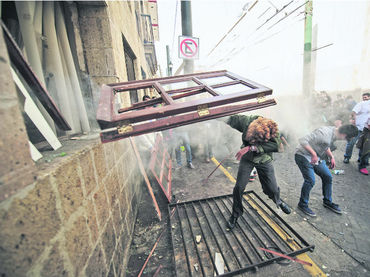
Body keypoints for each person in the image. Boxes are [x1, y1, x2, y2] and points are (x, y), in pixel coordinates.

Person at [222, 115, 291, 230]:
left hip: (264, 160)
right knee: (238, 188)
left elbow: (276, 146)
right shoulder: (246, 122)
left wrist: (251, 148)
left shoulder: (272, 129)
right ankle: (235, 215)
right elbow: (229, 118)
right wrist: (211, 115)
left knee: (272, 188)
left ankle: (278, 201)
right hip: (248, 159)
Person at [295, 124, 358, 217]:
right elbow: (302, 140)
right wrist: (313, 154)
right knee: (310, 180)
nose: (344, 140)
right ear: (344, 134)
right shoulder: (324, 133)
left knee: (328, 177)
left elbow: (325, 145)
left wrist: (331, 156)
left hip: (317, 157)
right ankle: (302, 204)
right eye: (346, 138)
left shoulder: (333, 133)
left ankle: (327, 201)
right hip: (303, 155)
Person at [343, 92, 370, 163]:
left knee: (364, 144)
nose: (364, 99)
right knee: (351, 142)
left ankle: (360, 158)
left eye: (366, 97)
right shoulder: (361, 104)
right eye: (363, 97)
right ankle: (347, 157)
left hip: (367, 129)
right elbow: (353, 112)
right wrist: (354, 121)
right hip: (358, 128)